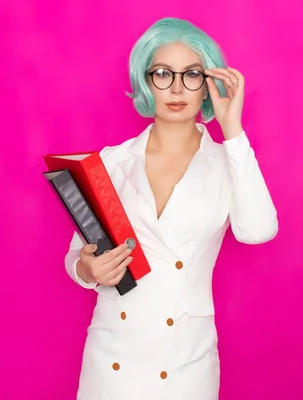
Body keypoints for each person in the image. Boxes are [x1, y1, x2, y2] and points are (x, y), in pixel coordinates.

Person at [63, 17, 278, 400]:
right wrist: (87, 269)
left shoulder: (228, 162)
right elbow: (77, 253)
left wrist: (233, 131)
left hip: (185, 361)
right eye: (162, 73)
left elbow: (258, 230)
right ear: (145, 81)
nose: (177, 88)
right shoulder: (111, 162)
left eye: (192, 75)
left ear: (208, 84)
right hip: (112, 357)